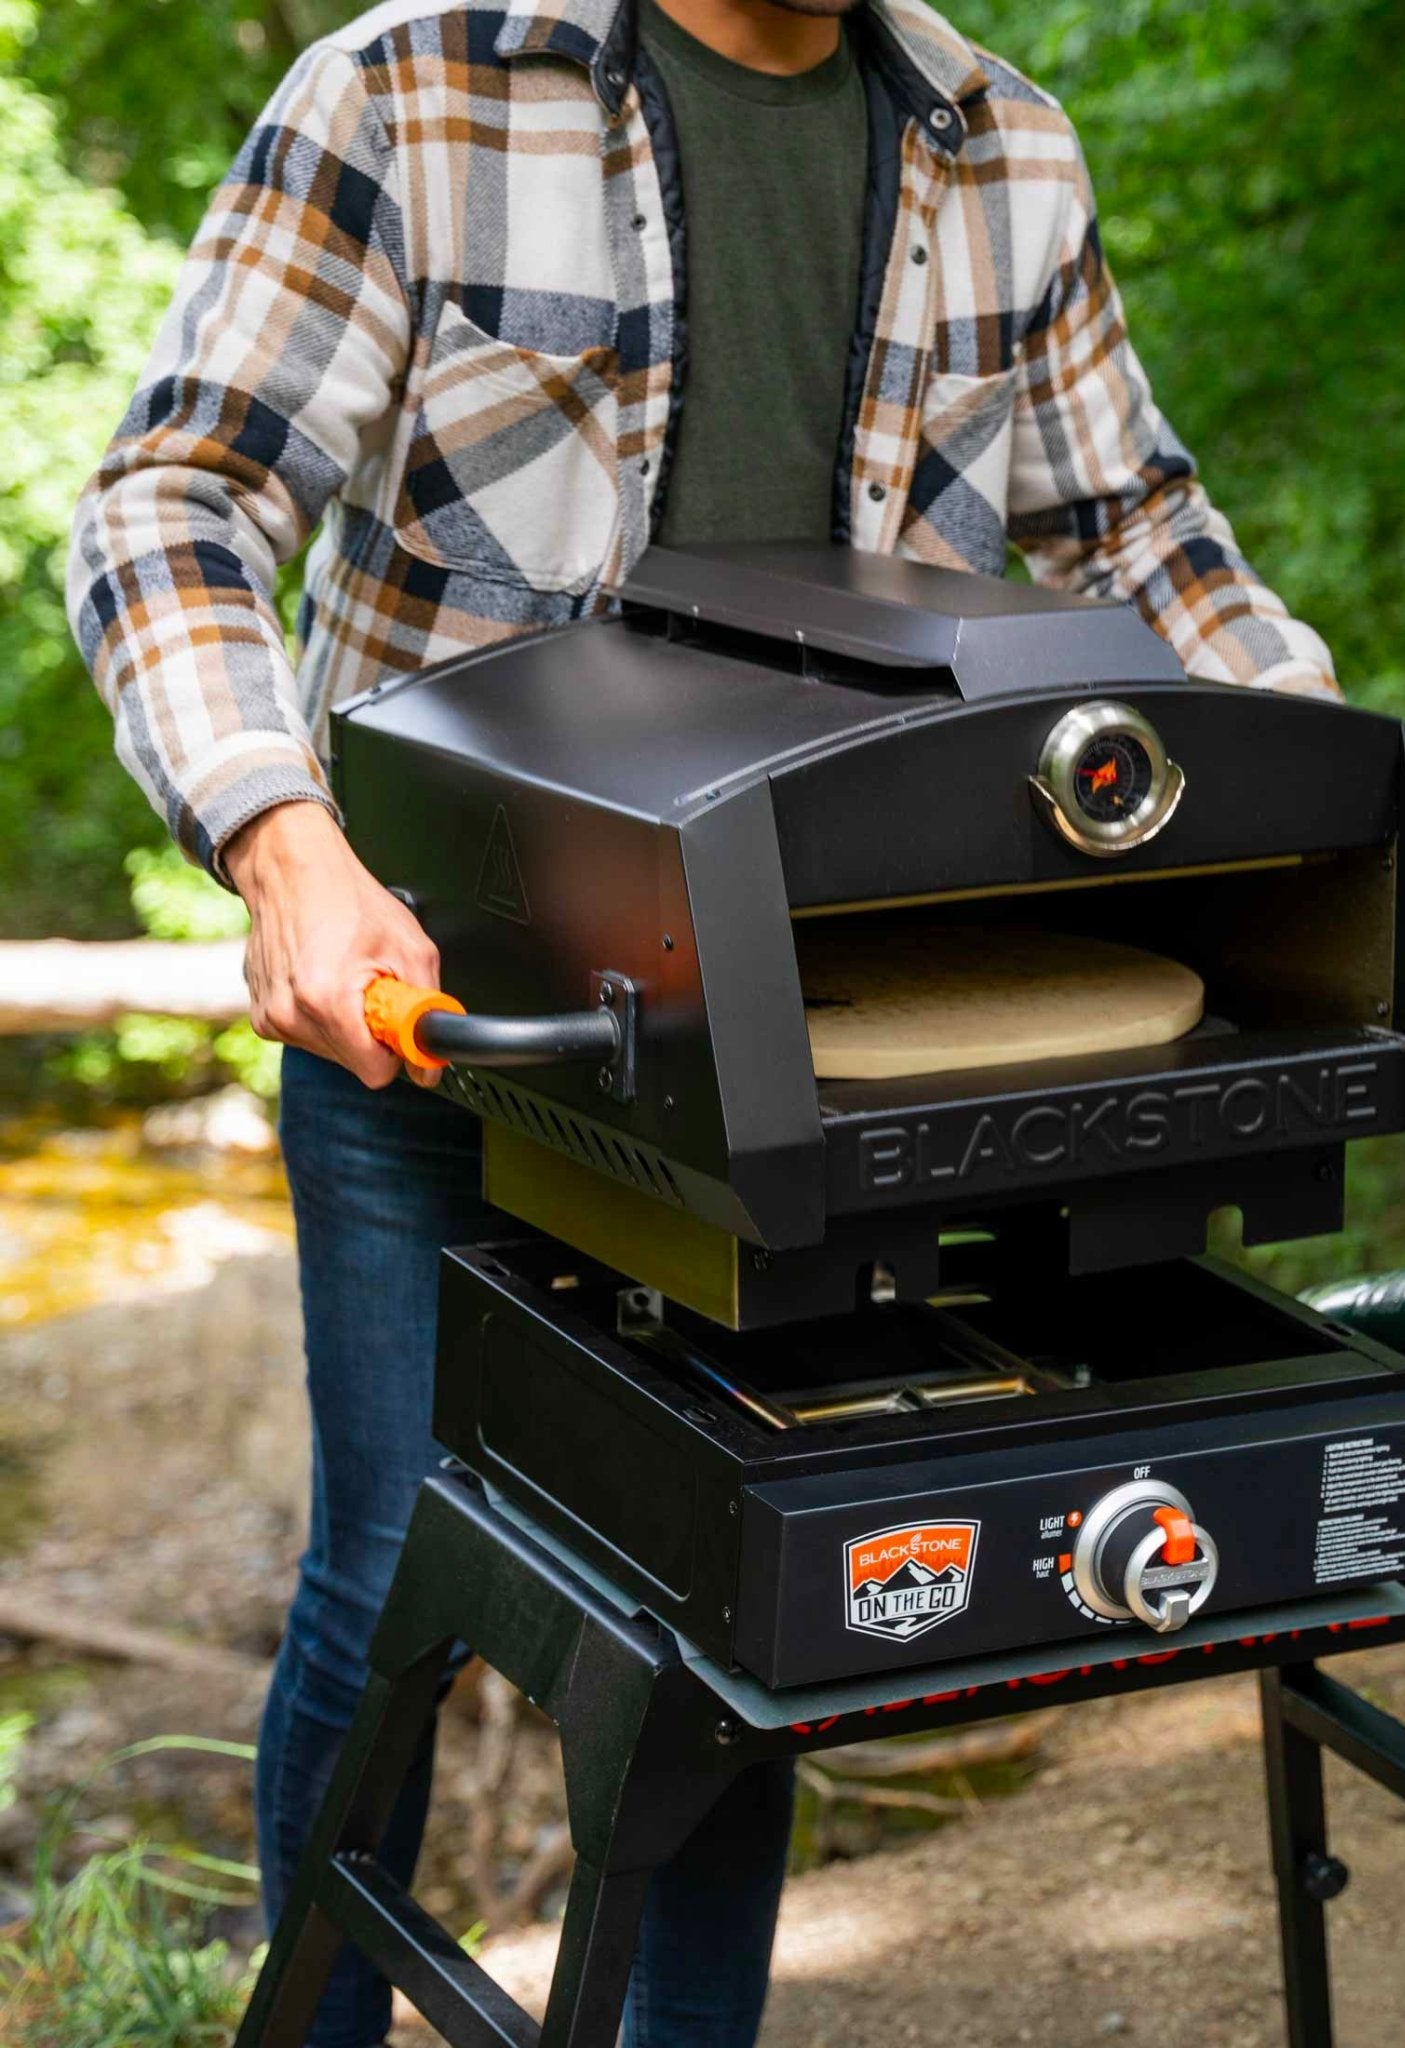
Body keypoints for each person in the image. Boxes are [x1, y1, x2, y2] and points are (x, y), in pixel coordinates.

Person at [69, 0, 1338, 2039]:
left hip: (786, 1037)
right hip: (447, 1016)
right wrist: (282, 844)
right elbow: (171, 500)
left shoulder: (1001, 143)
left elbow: (1141, 537)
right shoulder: (412, 87)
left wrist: (1334, 795)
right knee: (393, 1574)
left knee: (737, 1593)